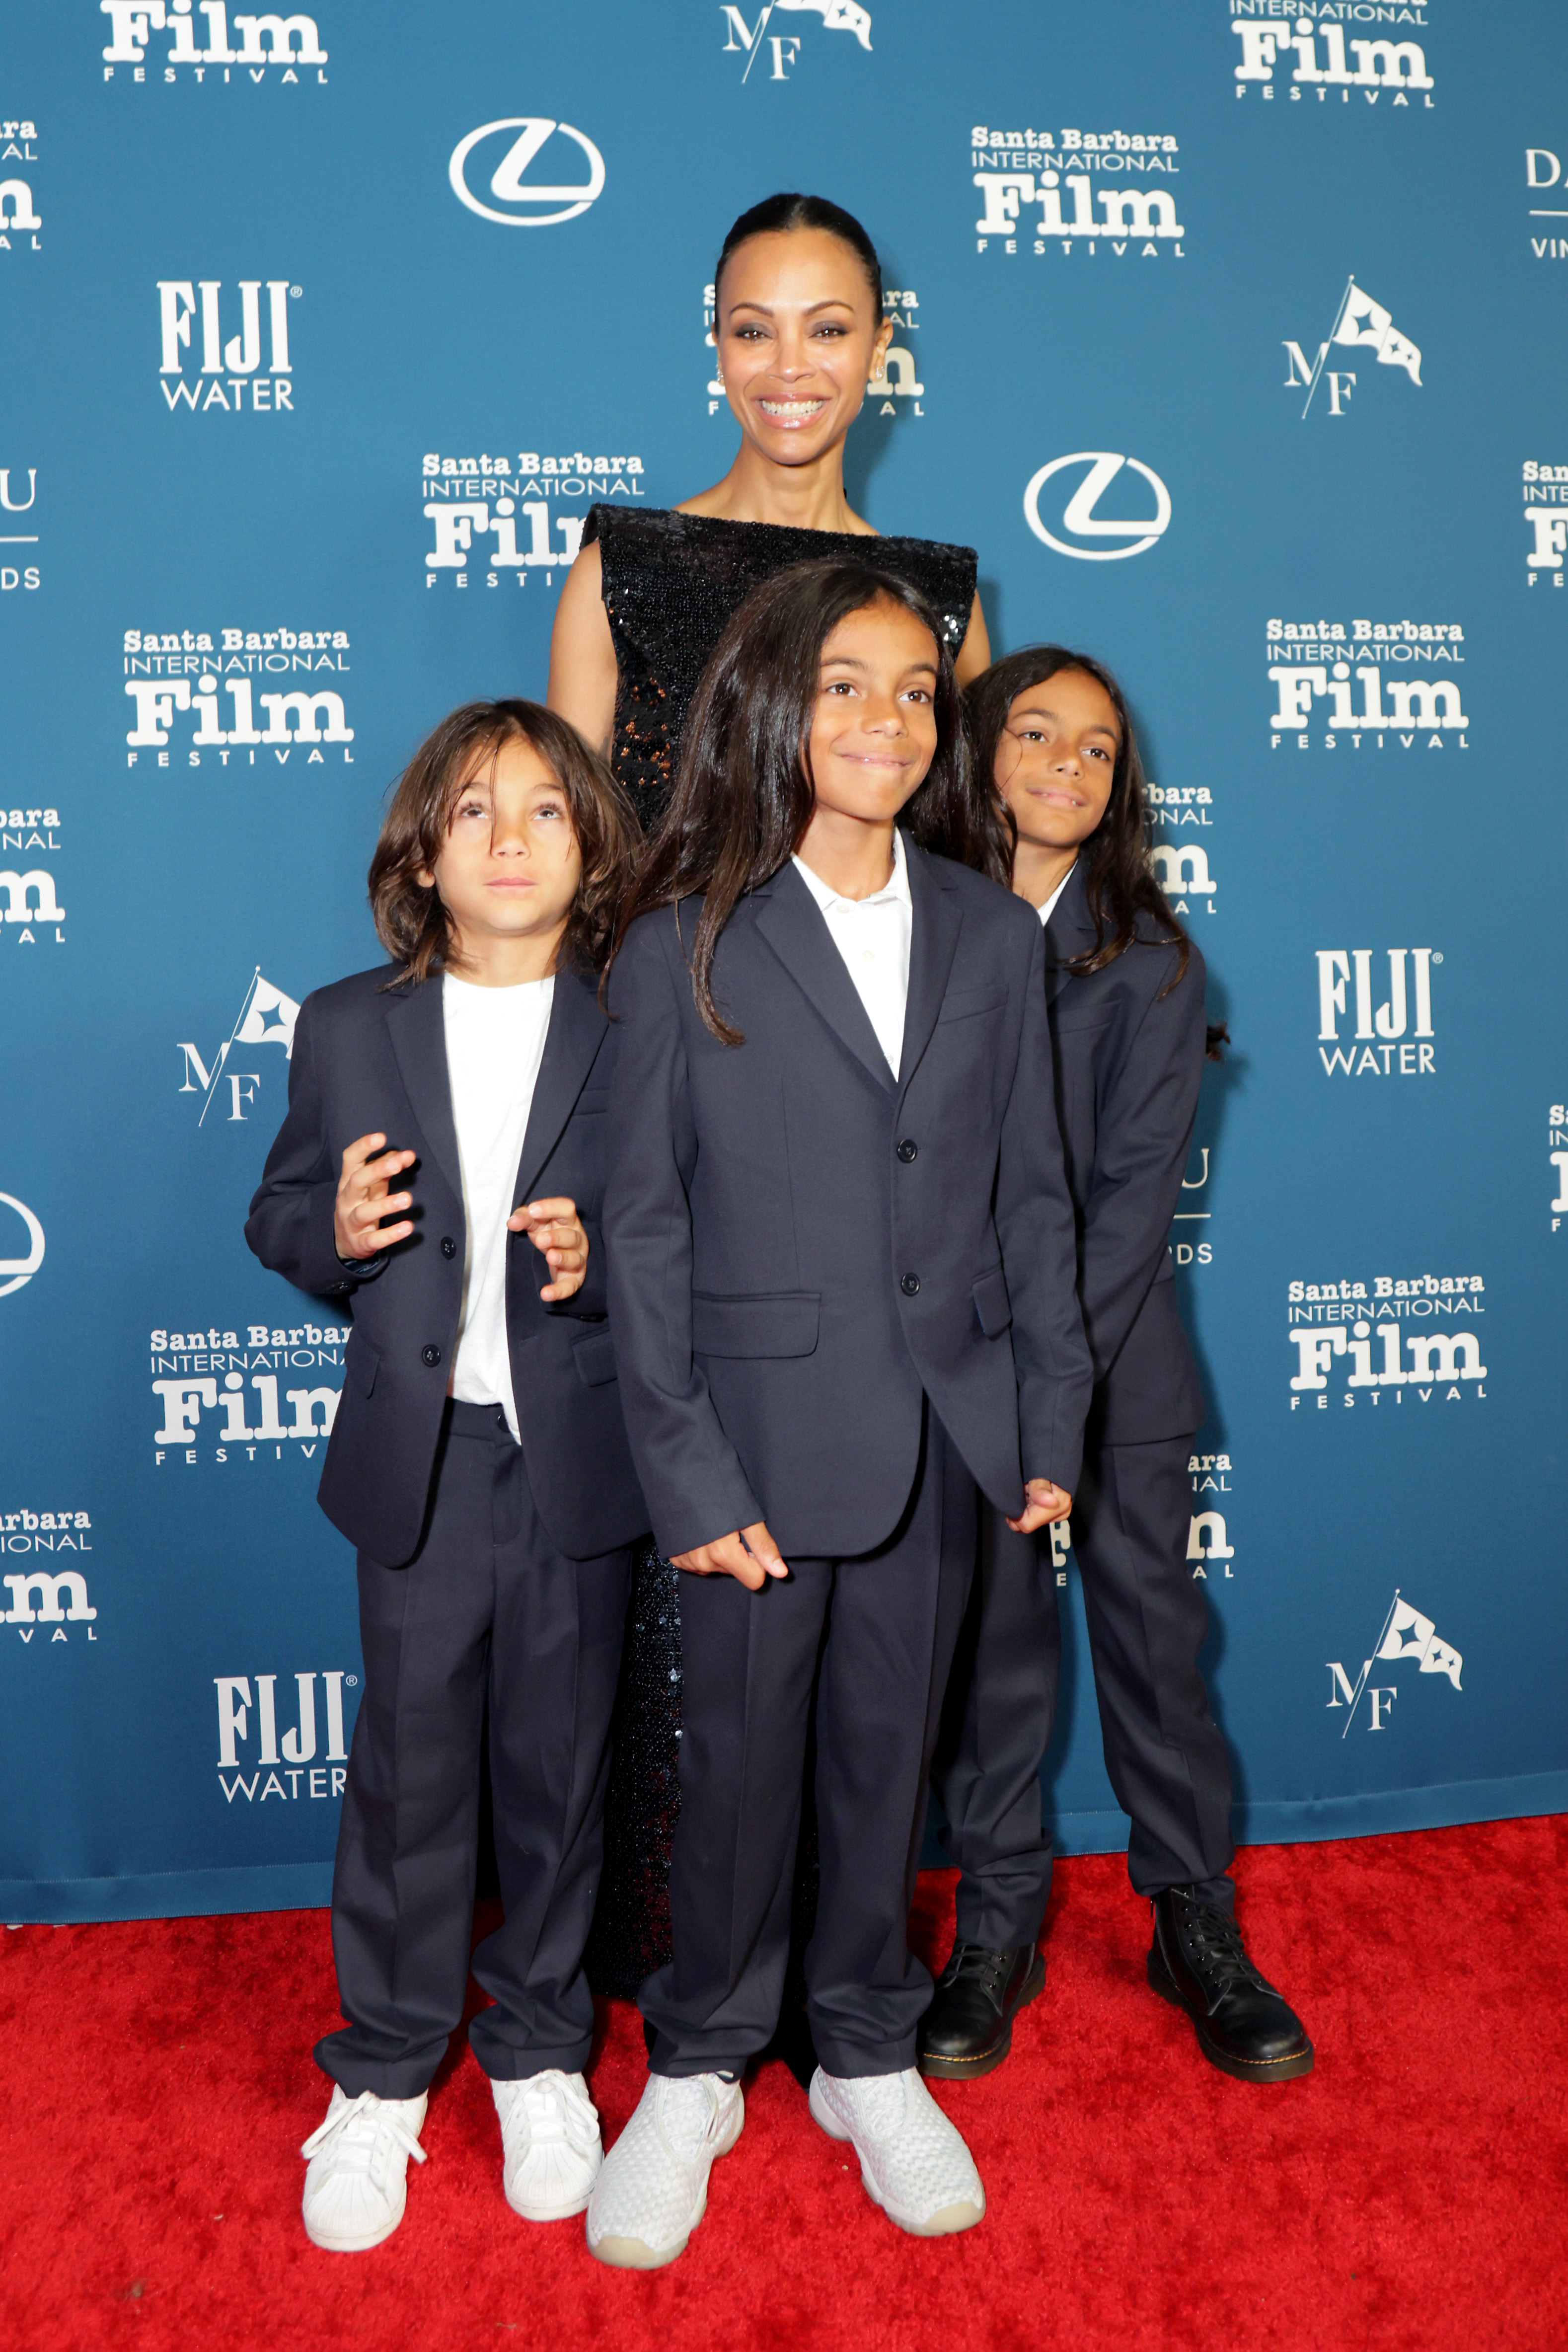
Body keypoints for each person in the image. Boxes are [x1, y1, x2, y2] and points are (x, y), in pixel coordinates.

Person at [584, 563, 1091, 2269]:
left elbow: (1034, 1203)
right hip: (754, 1454)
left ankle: (867, 2047)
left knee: (892, 1765)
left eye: (914, 690)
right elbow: (642, 1226)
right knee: (733, 1775)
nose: (884, 720)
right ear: (773, 707)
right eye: (844, 685)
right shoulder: (684, 940)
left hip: (947, 1438)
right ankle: (705, 2060)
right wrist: (682, 1459)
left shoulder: (981, 930)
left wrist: (1042, 1424)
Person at [548, 189, 995, 2000]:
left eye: (831, 328)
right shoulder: (625, 560)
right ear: (709, 337)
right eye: (756, 326)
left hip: (845, 1169)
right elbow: (573, 873)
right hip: (665, 1118)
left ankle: (840, 1977)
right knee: (682, 1558)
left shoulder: (939, 603)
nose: (790, 367)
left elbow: (954, 901)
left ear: (886, 345)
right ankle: (676, 1984)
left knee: (860, 1597)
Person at [245, 701, 650, 2252]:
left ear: (589, 846)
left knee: (558, 1778)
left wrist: (605, 1260)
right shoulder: (347, 1024)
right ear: (425, 844)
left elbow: (693, 1225)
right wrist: (333, 1235)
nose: (507, 838)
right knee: (410, 1779)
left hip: (579, 1459)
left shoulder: (637, 1019)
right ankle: (383, 2074)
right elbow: (280, 1213)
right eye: (475, 809)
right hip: (422, 1463)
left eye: (545, 811)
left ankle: (542, 2051)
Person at [920, 649, 1313, 2086]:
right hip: (954, 1363)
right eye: (1037, 734)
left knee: (1156, 1644)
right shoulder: (912, 930)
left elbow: (1131, 1207)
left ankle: (1193, 1920)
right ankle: (996, 1928)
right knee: (995, 1656)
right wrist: (996, 1388)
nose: (1068, 768)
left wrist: (1053, 1401)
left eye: (1098, 750)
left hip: (1114, 1349)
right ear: (980, 747)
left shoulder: (1154, 959)